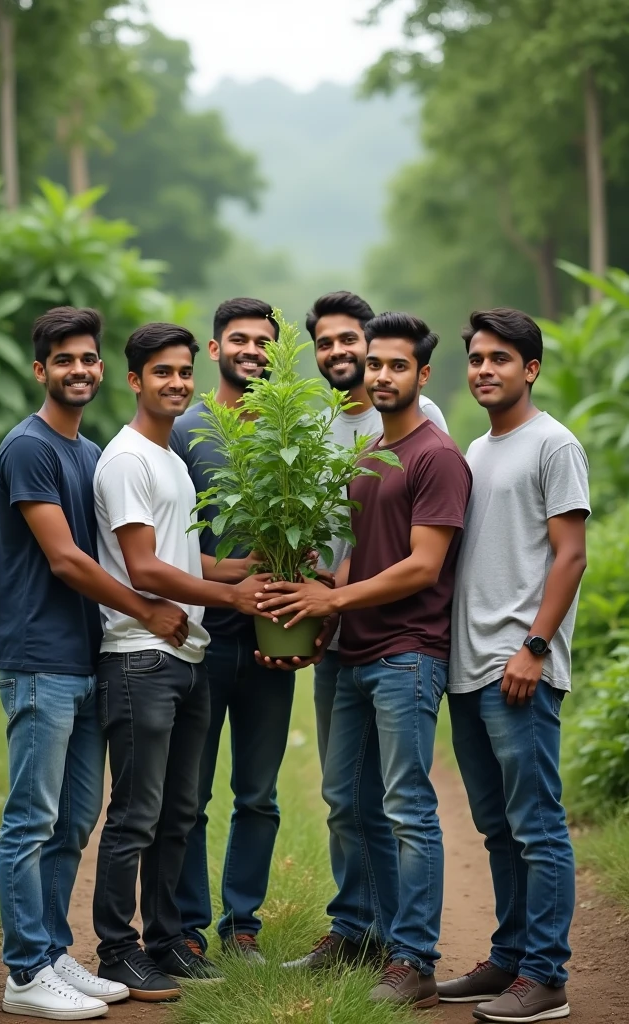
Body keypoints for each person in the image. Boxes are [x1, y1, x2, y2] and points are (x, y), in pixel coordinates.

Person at [257, 312, 472, 1008]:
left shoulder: (437, 457)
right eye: (374, 363)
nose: (381, 375)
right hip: (349, 654)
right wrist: (324, 602)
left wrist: (334, 604)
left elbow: (421, 567)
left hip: (406, 653)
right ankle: (359, 934)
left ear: (422, 375)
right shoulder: (370, 452)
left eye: (396, 366)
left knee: (407, 807)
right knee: (346, 802)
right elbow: (355, 552)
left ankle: (413, 960)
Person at [0, 307, 192, 1020]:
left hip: (84, 660)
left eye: (88, 358)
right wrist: (146, 611)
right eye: (63, 359)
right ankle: (23, 972)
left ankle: (50, 953)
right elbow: (66, 558)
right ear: (39, 368)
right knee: (32, 818)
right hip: (39, 659)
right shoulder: (29, 448)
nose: (78, 369)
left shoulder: (88, 453)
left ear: (102, 368)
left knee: (75, 818)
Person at [92, 322, 268, 1001]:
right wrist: (230, 595)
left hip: (185, 654)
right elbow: (144, 566)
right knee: (137, 812)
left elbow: (185, 558)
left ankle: (168, 942)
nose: (175, 383)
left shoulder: (169, 458)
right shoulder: (128, 458)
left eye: (182, 372)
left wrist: (257, 570)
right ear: (134, 380)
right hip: (139, 657)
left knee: (178, 811)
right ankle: (116, 950)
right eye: (160, 372)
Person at [438, 309, 589, 1023]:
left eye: (501, 358)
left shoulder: (552, 444)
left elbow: (571, 554)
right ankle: (509, 956)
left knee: (536, 825)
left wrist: (535, 647)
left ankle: (546, 976)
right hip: (469, 671)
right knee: (498, 828)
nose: (485, 369)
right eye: (476, 358)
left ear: (530, 368)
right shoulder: (475, 449)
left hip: (518, 665)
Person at [171, 298, 296, 963]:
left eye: (263, 342)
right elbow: (160, 546)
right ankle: (187, 930)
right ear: (215, 350)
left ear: (277, 354)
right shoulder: (184, 430)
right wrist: (236, 577)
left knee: (259, 795)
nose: (251, 350)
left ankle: (241, 927)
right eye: (239, 340)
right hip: (202, 640)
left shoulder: (293, 435)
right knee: (188, 797)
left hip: (272, 639)